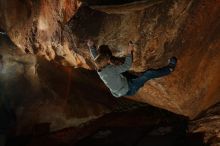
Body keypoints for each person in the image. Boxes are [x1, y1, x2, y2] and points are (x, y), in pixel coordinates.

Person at [87, 40, 177, 97]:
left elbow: (96, 58)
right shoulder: (111, 70)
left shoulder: (99, 68)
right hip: (129, 88)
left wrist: (91, 47)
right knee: (148, 74)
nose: (109, 60)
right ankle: (169, 69)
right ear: (106, 63)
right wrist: (129, 51)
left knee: (136, 77)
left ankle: (139, 82)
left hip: (122, 87)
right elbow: (127, 65)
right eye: (108, 60)